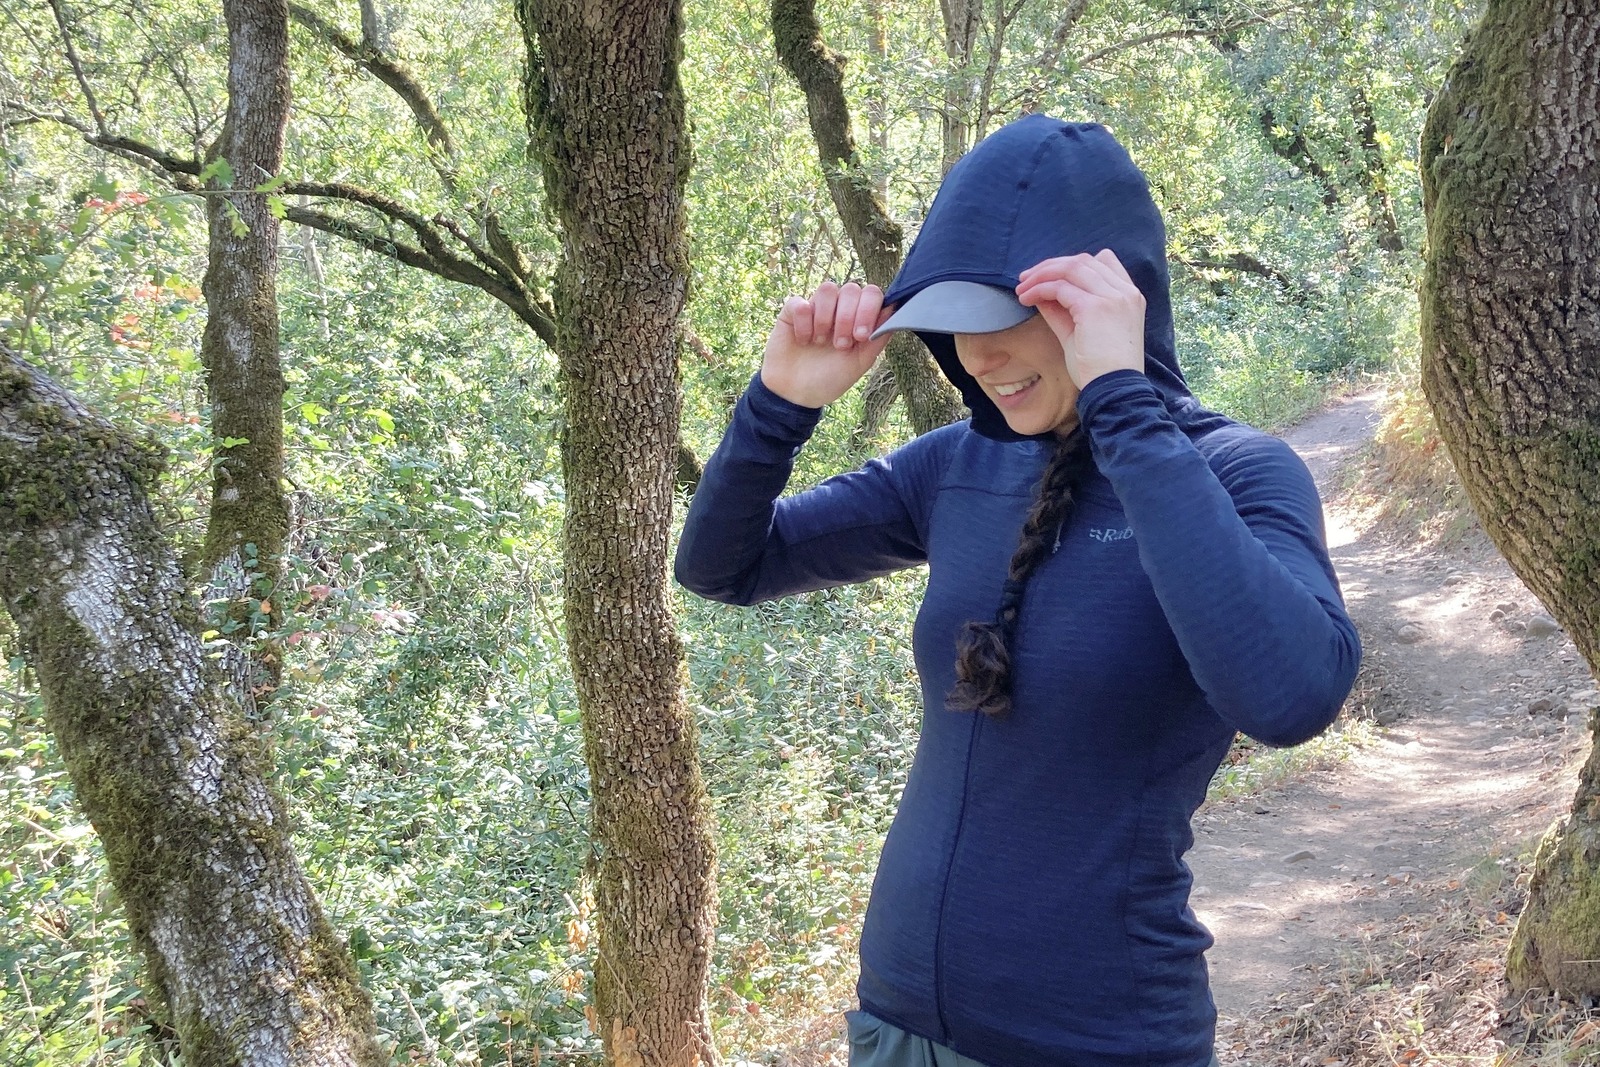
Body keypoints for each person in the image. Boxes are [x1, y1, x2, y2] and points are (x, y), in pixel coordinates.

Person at [675, 115, 1361, 1067]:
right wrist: (777, 404)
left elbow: (1292, 696)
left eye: (1004, 317)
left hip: (1096, 1042)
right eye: (954, 327)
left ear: (1113, 302)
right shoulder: (955, 466)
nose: (978, 355)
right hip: (895, 1027)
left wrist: (1122, 400)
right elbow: (721, 565)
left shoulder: (1234, 472)